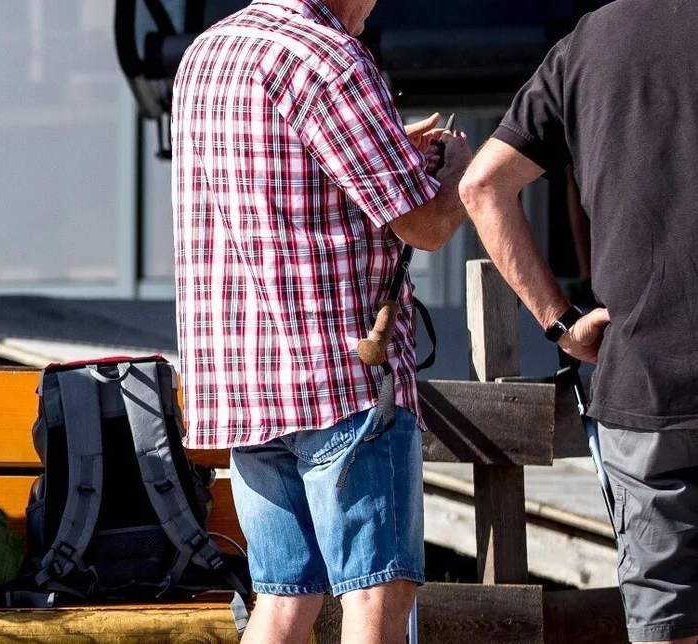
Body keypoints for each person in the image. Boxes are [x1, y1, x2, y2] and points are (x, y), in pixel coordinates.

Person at [169, 1, 475, 642]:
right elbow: (426, 225)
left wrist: (391, 151)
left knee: (281, 605)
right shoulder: (330, 58)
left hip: (242, 386)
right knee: (376, 603)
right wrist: (457, 176)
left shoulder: (205, 54)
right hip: (341, 379)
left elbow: (284, 180)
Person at [458, 2, 698, 641]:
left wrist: (558, 321)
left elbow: (483, 186)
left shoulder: (593, 41)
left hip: (643, 389)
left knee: (665, 624)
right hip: (644, 396)